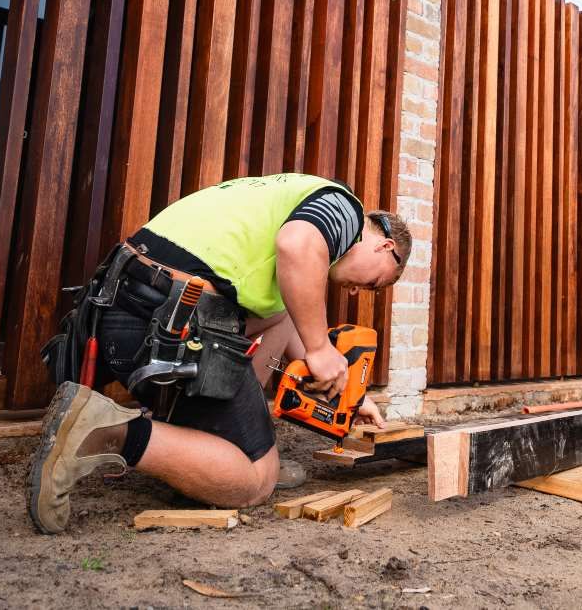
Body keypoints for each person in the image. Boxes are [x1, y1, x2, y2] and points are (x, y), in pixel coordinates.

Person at [28, 173, 411, 534]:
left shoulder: (286, 199)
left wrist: (347, 392)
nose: (359, 292)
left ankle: (216, 445)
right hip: (168, 316)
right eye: (376, 283)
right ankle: (107, 431)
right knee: (257, 481)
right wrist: (319, 348)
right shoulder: (344, 208)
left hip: (129, 307)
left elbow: (288, 320)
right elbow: (297, 245)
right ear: (385, 246)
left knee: (278, 313)